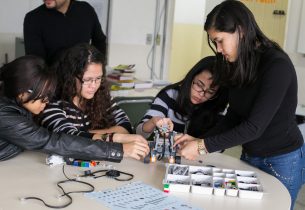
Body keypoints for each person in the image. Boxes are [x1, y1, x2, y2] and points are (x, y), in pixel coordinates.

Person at [174, 1, 304, 209]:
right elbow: (234, 115)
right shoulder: (237, 64)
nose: (218, 50)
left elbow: (254, 127)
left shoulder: (276, 66)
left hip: (283, 160)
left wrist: (201, 146)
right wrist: (201, 140)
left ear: (240, 31)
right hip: (250, 156)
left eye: (220, 41)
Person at [0, 55, 149, 162]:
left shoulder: (19, 103)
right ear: (22, 92)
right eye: (43, 97)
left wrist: (117, 138)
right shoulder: (6, 115)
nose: (47, 102)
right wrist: (119, 149)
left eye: (98, 79)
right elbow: (53, 141)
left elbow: (125, 125)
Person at [40, 43, 136, 143]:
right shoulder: (50, 102)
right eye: (87, 79)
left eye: (98, 78)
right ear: (71, 77)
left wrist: (84, 134)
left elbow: (126, 127)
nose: (94, 86)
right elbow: (68, 138)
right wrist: (113, 136)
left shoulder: (102, 97)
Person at [136, 56, 228, 138]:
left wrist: (196, 144)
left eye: (210, 92)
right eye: (199, 85)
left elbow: (220, 146)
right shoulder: (170, 95)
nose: (201, 94)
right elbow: (140, 133)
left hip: (200, 157)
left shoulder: (216, 105)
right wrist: (154, 121)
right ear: (191, 77)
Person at [23, 0, 107, 65]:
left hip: (84, 80)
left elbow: (99, 41)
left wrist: (99, 70)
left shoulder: (86, 10)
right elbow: (35, 63)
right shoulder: (33, 18)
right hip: (52, 84)